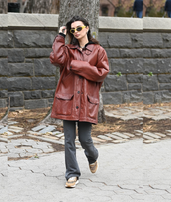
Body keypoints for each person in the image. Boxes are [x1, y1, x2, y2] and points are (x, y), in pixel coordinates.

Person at [49, 16, 110, 188]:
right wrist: (60, 37)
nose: (76, 32)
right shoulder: (67, 50)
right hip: (68, 99)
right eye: (72, 30)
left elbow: (102, 73)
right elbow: (56, 59)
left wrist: (78, 66)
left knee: (85, 139)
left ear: (87, 28)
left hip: (86, 101)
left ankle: (93, 156)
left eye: (79, 28)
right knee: (69, 140)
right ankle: (72, 174)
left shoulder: (98, 51)